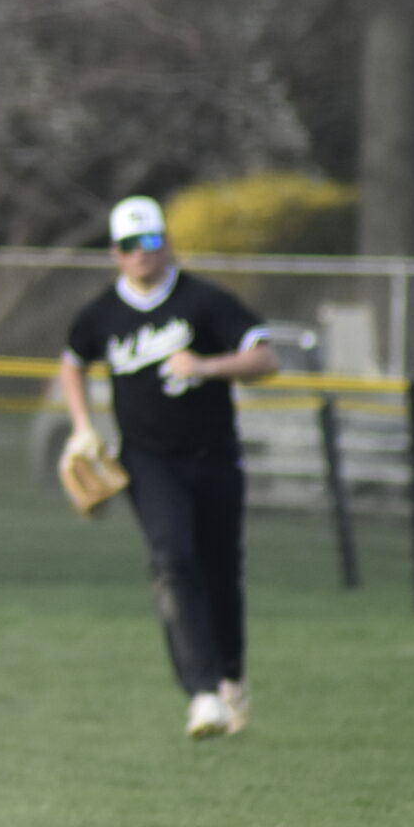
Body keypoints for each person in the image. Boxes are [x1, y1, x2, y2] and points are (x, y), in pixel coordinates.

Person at [59, 195, 280, 740]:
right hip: (148, 458)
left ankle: (231, 678)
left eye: (151, 242)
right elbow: (71, 362)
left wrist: (206, 366)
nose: (141, 254)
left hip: (213, 456)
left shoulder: (202, 302)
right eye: (130, 246)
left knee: (221, 571)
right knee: (172, 559)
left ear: (167, 244)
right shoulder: (101, 315)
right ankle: (202, 693)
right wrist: (83, 426)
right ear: (115, 253)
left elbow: (265, 359)